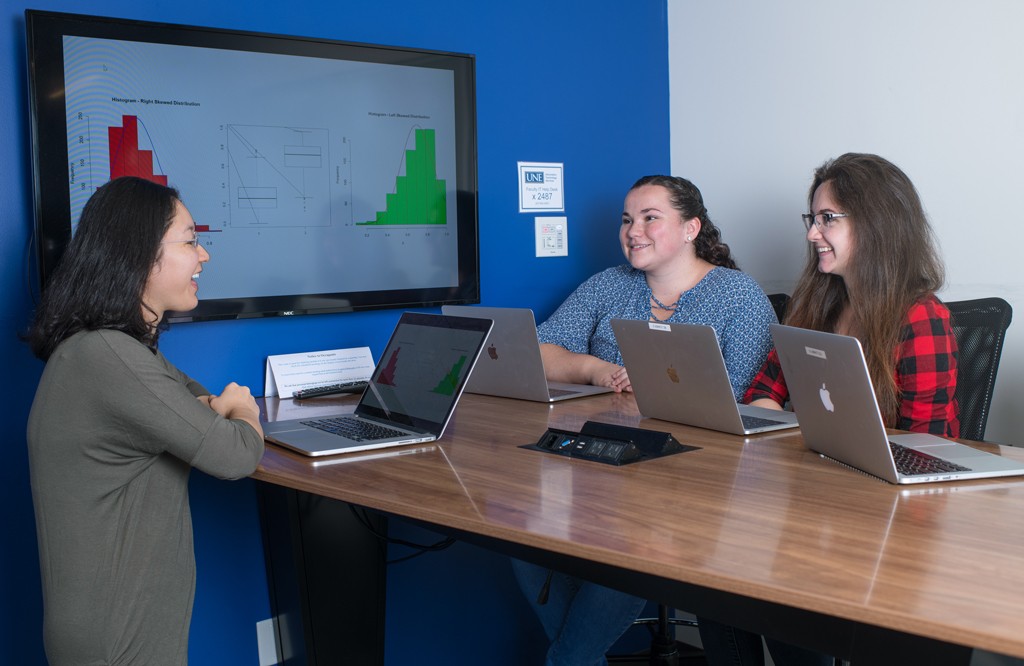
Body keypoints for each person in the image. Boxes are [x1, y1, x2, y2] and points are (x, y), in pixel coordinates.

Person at [697, 152, 959, 666]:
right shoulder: (818, 302)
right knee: (714, 571)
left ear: (878, 225)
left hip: (887, 519)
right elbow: (763, 392)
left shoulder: (921, 316)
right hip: (812, 493)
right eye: (812, 219)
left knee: (777, 588)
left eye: (829, 219)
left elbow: (930, 450)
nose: (814, 233)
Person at [513, 174, 777, 666]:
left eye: (651, 217)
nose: (634, 230)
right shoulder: (610, 284)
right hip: (596, 464)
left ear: (691, 227)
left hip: (689, 483)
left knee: (633, 546)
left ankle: (569, 660)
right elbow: (538, 350)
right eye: (627, 219)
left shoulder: (739, 297)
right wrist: (596, 369)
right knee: (520, 535)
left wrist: (660, 391)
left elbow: (742, 406)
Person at [26, 176, 266, 665]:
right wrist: (244, 407)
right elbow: (235, 452)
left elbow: (192, 397)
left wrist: (212, 411)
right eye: (190, 241)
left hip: (122, 632)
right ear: (139, 255)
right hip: (116, 642)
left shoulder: (118, 351)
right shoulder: (107, 356)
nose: (204, 257)